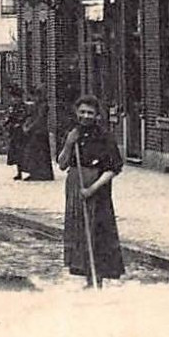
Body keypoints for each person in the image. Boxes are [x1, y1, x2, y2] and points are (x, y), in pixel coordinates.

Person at [56, 94, 126, 284]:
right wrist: (69, 144)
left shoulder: (104, 137)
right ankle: (87, 277)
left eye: (90, 113)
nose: (86, 116)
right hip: (75, 188)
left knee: (97, 232)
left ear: (97, 115)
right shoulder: (73, 134)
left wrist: (93, 188)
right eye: (82, 112)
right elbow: (62, 164)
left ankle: (99, 280)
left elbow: (113, 168)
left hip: (97, 189)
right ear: (76, 113)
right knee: (79, 231)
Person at [19, 87, 55, 182]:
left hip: (40, 132)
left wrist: (29, 127)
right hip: (37, 132)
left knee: (38, 153)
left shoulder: (43, 106)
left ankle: (41, 173)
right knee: (35, 153)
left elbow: (39, 119)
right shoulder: (38, 105)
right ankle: (36, 172)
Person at [5, 83, 28, 180]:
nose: (14, 100)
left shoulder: (22, 107)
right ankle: (19, 172)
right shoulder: (12, 107)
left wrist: (19, 123)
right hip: (14, 132)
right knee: (16, 153)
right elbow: (8, 117)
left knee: (21, 152)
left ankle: (22, 170)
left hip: (21, 132)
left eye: (16, 98)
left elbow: (24, 117)